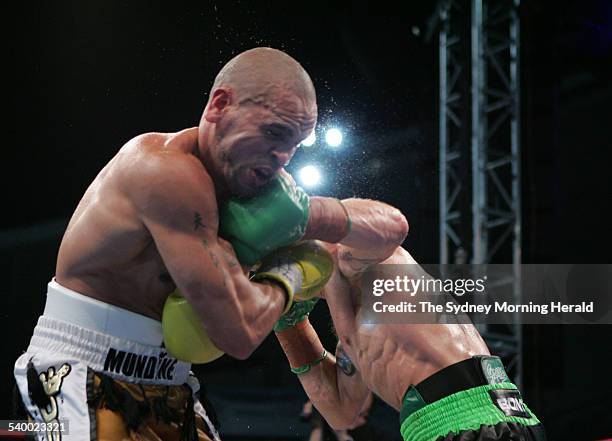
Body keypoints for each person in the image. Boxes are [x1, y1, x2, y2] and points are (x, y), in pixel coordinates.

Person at [13, 47, 403, 441]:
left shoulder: (261, 193)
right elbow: (238, 334)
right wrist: (292, 271)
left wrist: (313, 214)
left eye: (296, 144)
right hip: (81, 366)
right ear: (220, 105)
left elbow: (394, 228)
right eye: (274, 133)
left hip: (171, 380)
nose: (283, 156)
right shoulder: (166, 173)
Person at [275, 236, 546, 440]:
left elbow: (389, 227)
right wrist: (290, 325)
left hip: (464, 421)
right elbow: (341, 412)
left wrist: (313, 218)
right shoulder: (353, 336)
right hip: (477, 421)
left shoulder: (376, 265)